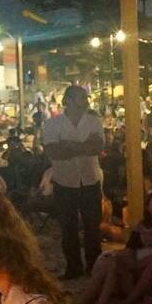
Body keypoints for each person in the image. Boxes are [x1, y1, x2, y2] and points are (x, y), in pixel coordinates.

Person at [42, 85, 105, 279]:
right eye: (81, 97)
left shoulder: (94, 121)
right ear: (68, 100)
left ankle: (94, 266)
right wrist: (82, 147)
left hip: (90, 180)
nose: (86, 101)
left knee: (92, 227)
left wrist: (69, 146)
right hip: (64, 182)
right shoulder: (53, 124)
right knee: (68, 228)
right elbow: (54, 152)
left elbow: (97, 147)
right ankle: (74, 267)